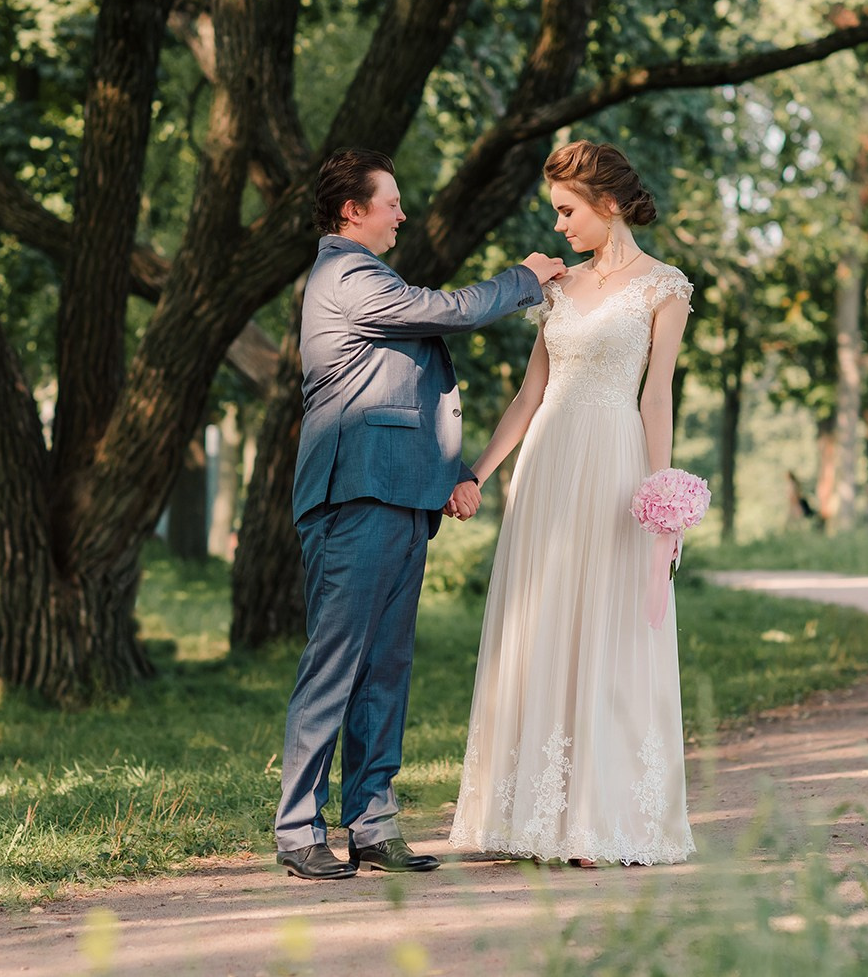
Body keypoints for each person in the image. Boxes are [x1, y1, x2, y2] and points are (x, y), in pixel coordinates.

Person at [275, 148, 567, 882]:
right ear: (352, 211)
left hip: (400, 497)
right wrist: (525, 278)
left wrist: (450, 478)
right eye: (392, 201)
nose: (402, 213)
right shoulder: (346, 275)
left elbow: (401, 397)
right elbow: (452, 310)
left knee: (385, 671)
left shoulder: (368, 276)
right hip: (356, 498)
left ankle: (372, 825)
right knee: (336, 665)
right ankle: (297, 828)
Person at [449, 141, 696, 867]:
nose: (557, 224)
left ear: (607, 204)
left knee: (609, 627)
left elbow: (657, 394)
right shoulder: (554, 287)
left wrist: (663, 495)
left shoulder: (664, 287)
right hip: (549, 466)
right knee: (544, 621)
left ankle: (597, 816)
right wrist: (481, 472)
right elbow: (530, 393)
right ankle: (533, 816)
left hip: (616, 463)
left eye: (566, 210)